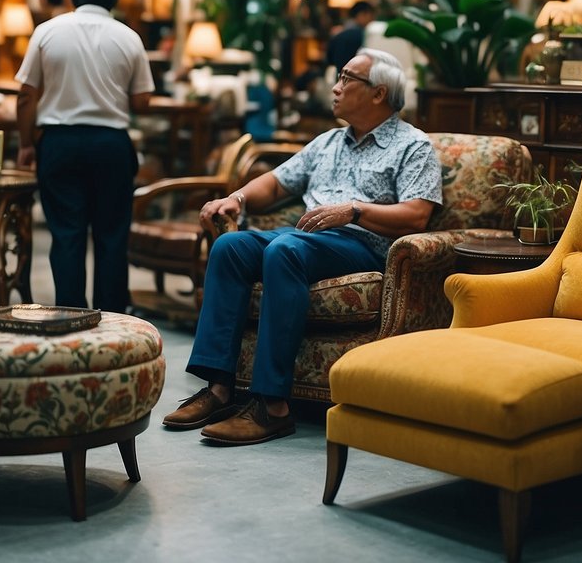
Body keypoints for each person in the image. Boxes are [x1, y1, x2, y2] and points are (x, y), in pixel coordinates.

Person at [162, 48, 442, 445]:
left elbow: (417, 215)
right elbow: (276, 183)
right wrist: (237, 198)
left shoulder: (413, 146)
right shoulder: (328, 141)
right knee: (231, 247)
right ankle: (220, 388)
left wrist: (355, 211)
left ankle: (272, 406)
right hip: (306, 238)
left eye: (347, 78)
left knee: (285, 250)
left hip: (361, 245)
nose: (336, 87)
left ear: (379, 93)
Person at [15, 0, 154, 311]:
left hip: (59, 144)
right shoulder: (129, 37)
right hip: (111, 146)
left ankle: (71, 314)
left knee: (66, 234)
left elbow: (25, 96)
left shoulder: (47, 32)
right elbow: (141, 101)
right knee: (111, 236)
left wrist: (26, 144)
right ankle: (111, 318)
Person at [325, 1, 376, 73]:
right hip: (358, 78)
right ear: (363, 14)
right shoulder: (364, 35)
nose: (373, 20)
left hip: (340, 78)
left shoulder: (338, 33)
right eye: (371, 16)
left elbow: (329, 59)